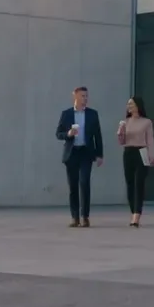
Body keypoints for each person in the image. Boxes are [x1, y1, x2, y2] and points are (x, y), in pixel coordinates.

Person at [54, 85, 103, 227]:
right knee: (73, 186)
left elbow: (97, 136)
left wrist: (99, 154)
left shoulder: (93, 114)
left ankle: (85, 216)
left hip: (86, 153)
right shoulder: (67, 114)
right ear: (75, 96)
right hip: (72, 153)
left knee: (84, 182)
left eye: (86, 96)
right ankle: (75, 217)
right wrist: (68, 134)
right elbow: (58, 133)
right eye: (82, 96)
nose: (85, 99)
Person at [116, 96, 154, 227]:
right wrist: (120, 133)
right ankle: (133, 210)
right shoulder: (125, 122)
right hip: (128, 153)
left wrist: (151, 156)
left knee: (139, 183)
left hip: (142, 152)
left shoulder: (147, 122)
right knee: (130, 183)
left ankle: (136, 216)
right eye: (128, 105)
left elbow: (150, 140)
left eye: (131, 104)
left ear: (138, 105)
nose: (129, 107)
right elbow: (121, 142)